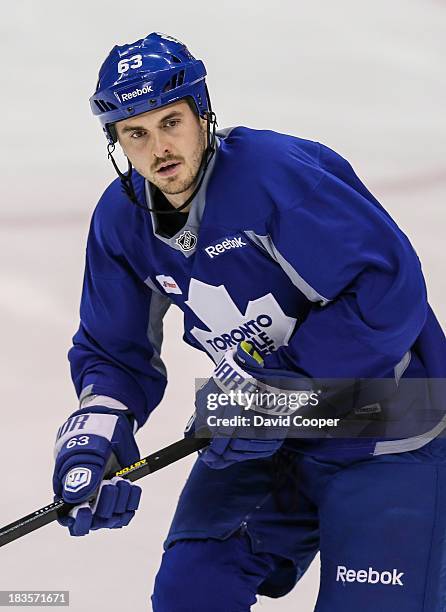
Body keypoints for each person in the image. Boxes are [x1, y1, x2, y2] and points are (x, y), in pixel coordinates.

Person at [52, 32, 446, 611]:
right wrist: (97, 436)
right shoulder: (120, 222)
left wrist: (280, 387)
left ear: (203, 114)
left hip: (386, 428)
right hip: (262, 436)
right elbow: (113, 352)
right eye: (135, 133)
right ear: (115, 141)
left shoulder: (274, 177)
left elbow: (387, 290)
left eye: (170, 122)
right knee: (191, 595)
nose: (158, 147)